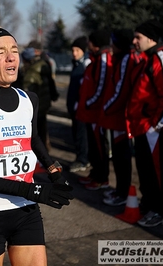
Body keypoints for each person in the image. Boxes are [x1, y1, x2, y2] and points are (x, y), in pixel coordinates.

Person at [0, 25, 74, 265]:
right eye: (0, 52)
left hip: (26, 211)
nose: (10, 57)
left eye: (14, 50)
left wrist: (54, 172)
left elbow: (33, 139)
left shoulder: (29, 99)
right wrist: (32, 190)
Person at [127, 20, 163, 227]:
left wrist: (157, 126)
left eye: (138, 37)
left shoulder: (161, 60)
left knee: (156, 171)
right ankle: (149, 206)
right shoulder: (147, 60)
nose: (134, 41)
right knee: (145, 170)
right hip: (142, 127)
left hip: (152, 130)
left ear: (151, 38)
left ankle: (160, 212)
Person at [100, 29, 137, 206]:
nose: (111, 46)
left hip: (121, 119)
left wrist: (106, 108)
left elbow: (121, 91)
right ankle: (120, 190)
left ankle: (122, 193)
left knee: (122, 158)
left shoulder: (126, 60)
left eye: (113, 42)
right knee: (118, 157)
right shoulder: (122, 59)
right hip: (117, 118)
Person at [76, 29, 112, 190]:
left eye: (90, 41)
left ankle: (101, 178)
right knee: (93, 146)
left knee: (99, 147)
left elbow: (101, 88)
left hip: (96, 114)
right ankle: (95, 173)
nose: (88, 44)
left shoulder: (103, 60)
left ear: (95, 43)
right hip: (89, 113)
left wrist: (89, 103)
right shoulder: (95, 59)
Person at [22, 40, 59, 151]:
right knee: (42, 127)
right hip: (43, 102)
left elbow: (27, 88)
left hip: (36, 104)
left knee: (36, 130)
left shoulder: (33, 69)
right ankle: (45, 148)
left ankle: (41, 153)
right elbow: (51, 82)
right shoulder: (45, 63)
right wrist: (53, 95)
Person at [66, 36, 91, 172]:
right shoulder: (76, 64)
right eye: (73, 50)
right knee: (77, 133)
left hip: (81, 108)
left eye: (77, 50)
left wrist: (78, 103)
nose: (74, 53)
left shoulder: (85, 65)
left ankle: (83, 159)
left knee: (82, 135)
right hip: (74, 108)